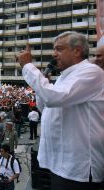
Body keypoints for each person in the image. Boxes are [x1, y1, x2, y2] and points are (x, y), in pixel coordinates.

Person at [16, 31, 104, 190]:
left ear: (77, 51)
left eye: (59, 49)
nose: (54, 54)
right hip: (59, 164)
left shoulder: (91, 72)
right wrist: (42, 86)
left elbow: (54, 98)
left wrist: (28, 66)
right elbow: (47, 108)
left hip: (78, 169)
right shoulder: (65, 76)